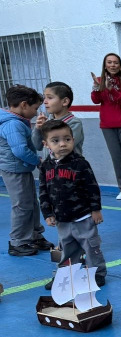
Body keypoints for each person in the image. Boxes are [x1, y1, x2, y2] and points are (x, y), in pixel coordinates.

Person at [38, 119, 106, 287]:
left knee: (91, 247)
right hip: (62, 219)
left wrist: (95, 209)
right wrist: (47, 213)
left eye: (67, 139)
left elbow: (92, 187)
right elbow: (43, 191)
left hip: (83, 216)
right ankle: (65, 275)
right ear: (46, 144)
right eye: (55, 141)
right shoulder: (45, 166)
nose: (62, 144)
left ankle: (97, 274)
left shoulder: (80, 163)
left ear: (73, 140)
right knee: (67, 249)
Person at [0, 85, 53, 256]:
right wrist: (38, 161)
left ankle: (34, 235)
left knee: (31, 203)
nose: (36, 112)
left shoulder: (18, 121)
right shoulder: (12, 124)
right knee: (22, 205)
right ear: (24, 105)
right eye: (35, 108)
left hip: (22, 168)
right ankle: (18, 242)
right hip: (14, 170)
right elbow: (20, 150)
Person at [91, 53, 121, 200]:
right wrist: (96, 88)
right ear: (105, 65)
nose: (112, 65)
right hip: (107, 125)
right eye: (109, 62)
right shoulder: (100, 80)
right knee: (116, 158)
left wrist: (112, 89)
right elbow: (96, 100)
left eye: (115, 62)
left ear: (120, 65)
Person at [32, 81, 84, 158]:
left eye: (50, 98)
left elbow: (64, 148)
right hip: (51, 165)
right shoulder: (48, 121)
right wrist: (38, 129)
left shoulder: (74, 123)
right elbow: (37, 146)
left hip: (69, 164)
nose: (45, 102)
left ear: (65, 101)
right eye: (44, 97)